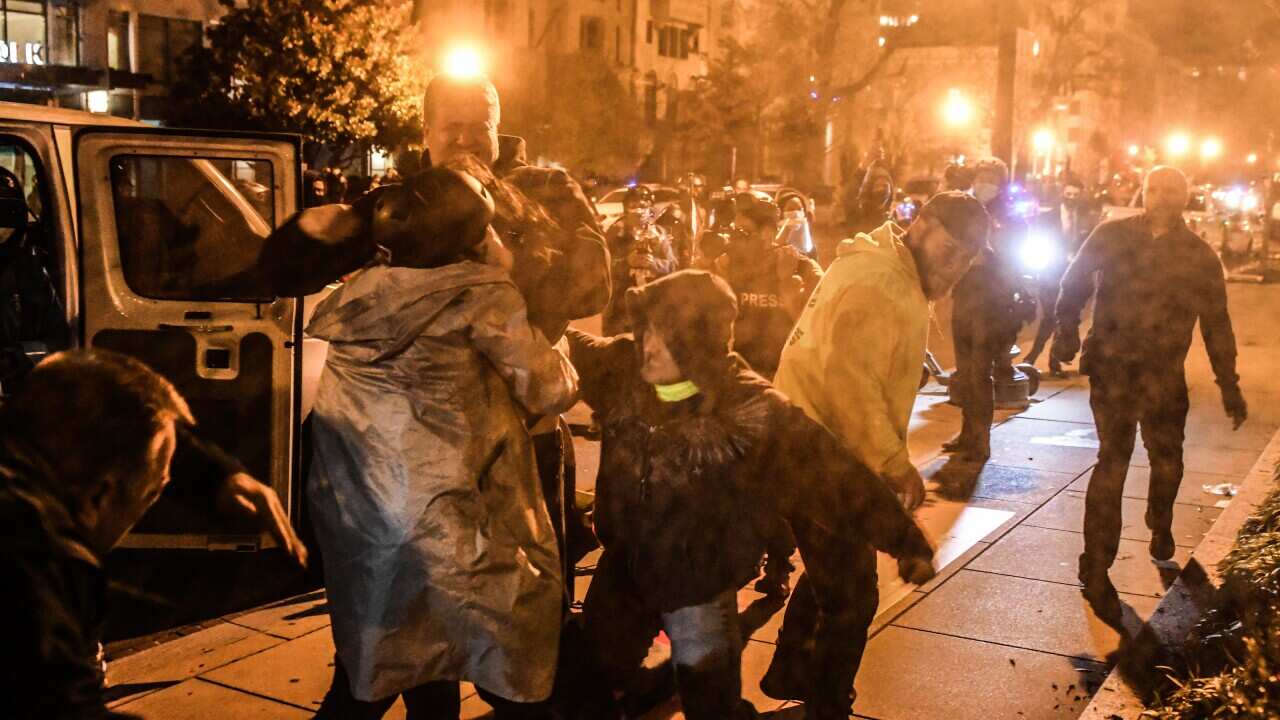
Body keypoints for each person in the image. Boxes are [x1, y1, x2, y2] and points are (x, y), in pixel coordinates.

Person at [566, 270, 936, 720]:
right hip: (626, 569)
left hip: (698, 584)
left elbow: (836, 479)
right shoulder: (622, 368)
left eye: (667, 336)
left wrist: (904, 541)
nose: (649, 346)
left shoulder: (752, 410)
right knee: (585, 683)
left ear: (698, 344)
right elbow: (559, 334)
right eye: (646, 331)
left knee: (711, 701)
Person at [306, 167, 579, 719]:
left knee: (396, 663)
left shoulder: (359, 295)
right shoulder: (480, 296)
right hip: (456, 521)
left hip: (370, 518)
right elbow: (550, 387)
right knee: (507, 648)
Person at [0, 349, 305, 719]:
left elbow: (107, 422)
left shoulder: (30, 439)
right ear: (101, 496)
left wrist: (214, 475)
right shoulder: (35, 573)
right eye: (151, 493)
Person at [1052, 166, 1247, 617]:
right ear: (1144, 192)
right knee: (1112, 463)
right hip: (1113, 370)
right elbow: (1074, 280)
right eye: (1154, 188)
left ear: (1185, 196)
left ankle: (1160, 521)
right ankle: (1095, 567)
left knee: (1168, 460)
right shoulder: (1112, 235)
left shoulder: (1199, 256)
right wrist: (1065, 327)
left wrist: (1228, 383)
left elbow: (1216, 322)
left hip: (1163, 376)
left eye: (1172, 189)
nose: (1161, 196)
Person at [773, 191, 989, 508]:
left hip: (812, 442)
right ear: (922, 225)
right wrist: (893, 463)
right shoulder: (883, 283)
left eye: (966, 260)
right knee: (846, 556)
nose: (954, 267)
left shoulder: (886, 264)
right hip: (822, 454)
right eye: (948, 251)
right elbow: (850, 386)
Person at [944, 157, 1031, 462]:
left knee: (980, 372)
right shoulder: (967, 209)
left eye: (992, 177)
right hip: (965, 295)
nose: (985, 182)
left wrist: (992, 257)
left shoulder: (1010, 217)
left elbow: (1016, 260)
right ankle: (968, 433)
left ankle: (980, 439)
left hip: (992, 302)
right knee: (966, 371)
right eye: (981, 176)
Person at [713, 192, 822, 380]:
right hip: (744, 377)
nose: (736, 241)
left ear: (768, 232)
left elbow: (819, 329)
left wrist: (787, 281)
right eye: (734, 232)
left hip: (788, 377)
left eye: (745, 233)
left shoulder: (803, 268)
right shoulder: (729, 267)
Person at [1023, 172, 1097, 377]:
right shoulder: (1048, 218)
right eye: (1068, 193)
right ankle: (1034, 357)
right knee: (1051, 315)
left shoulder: (1085, 218)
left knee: (1061, 316)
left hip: (1072, 274)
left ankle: (1048, 361)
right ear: (1063, 194)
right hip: (1051, 273)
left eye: (1075, 194)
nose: (1071, 198)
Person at [601, 185, 679, 335]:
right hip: (620, 310)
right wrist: (627, 263)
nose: (638, 210)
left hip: (652, 308)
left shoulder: (659, 234)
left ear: (650, 209)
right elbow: (602, 269)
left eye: (643, 206)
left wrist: (654, 263)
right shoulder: (615, 234)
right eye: (633, 206)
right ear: (626, 209)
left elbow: (673, 266)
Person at [846, 161, 895, 236]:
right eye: (877, 186)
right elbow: (851, 194)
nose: (881, 190)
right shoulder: (858, 215)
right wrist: (861, 170)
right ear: (869, 190)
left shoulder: (890, 222)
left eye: (885, 186)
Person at [775, 189, 817, 259]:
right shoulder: (772, 235)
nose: (796, 212)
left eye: (799, 208)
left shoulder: (809, 245)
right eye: (790, 209)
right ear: (781, 212)